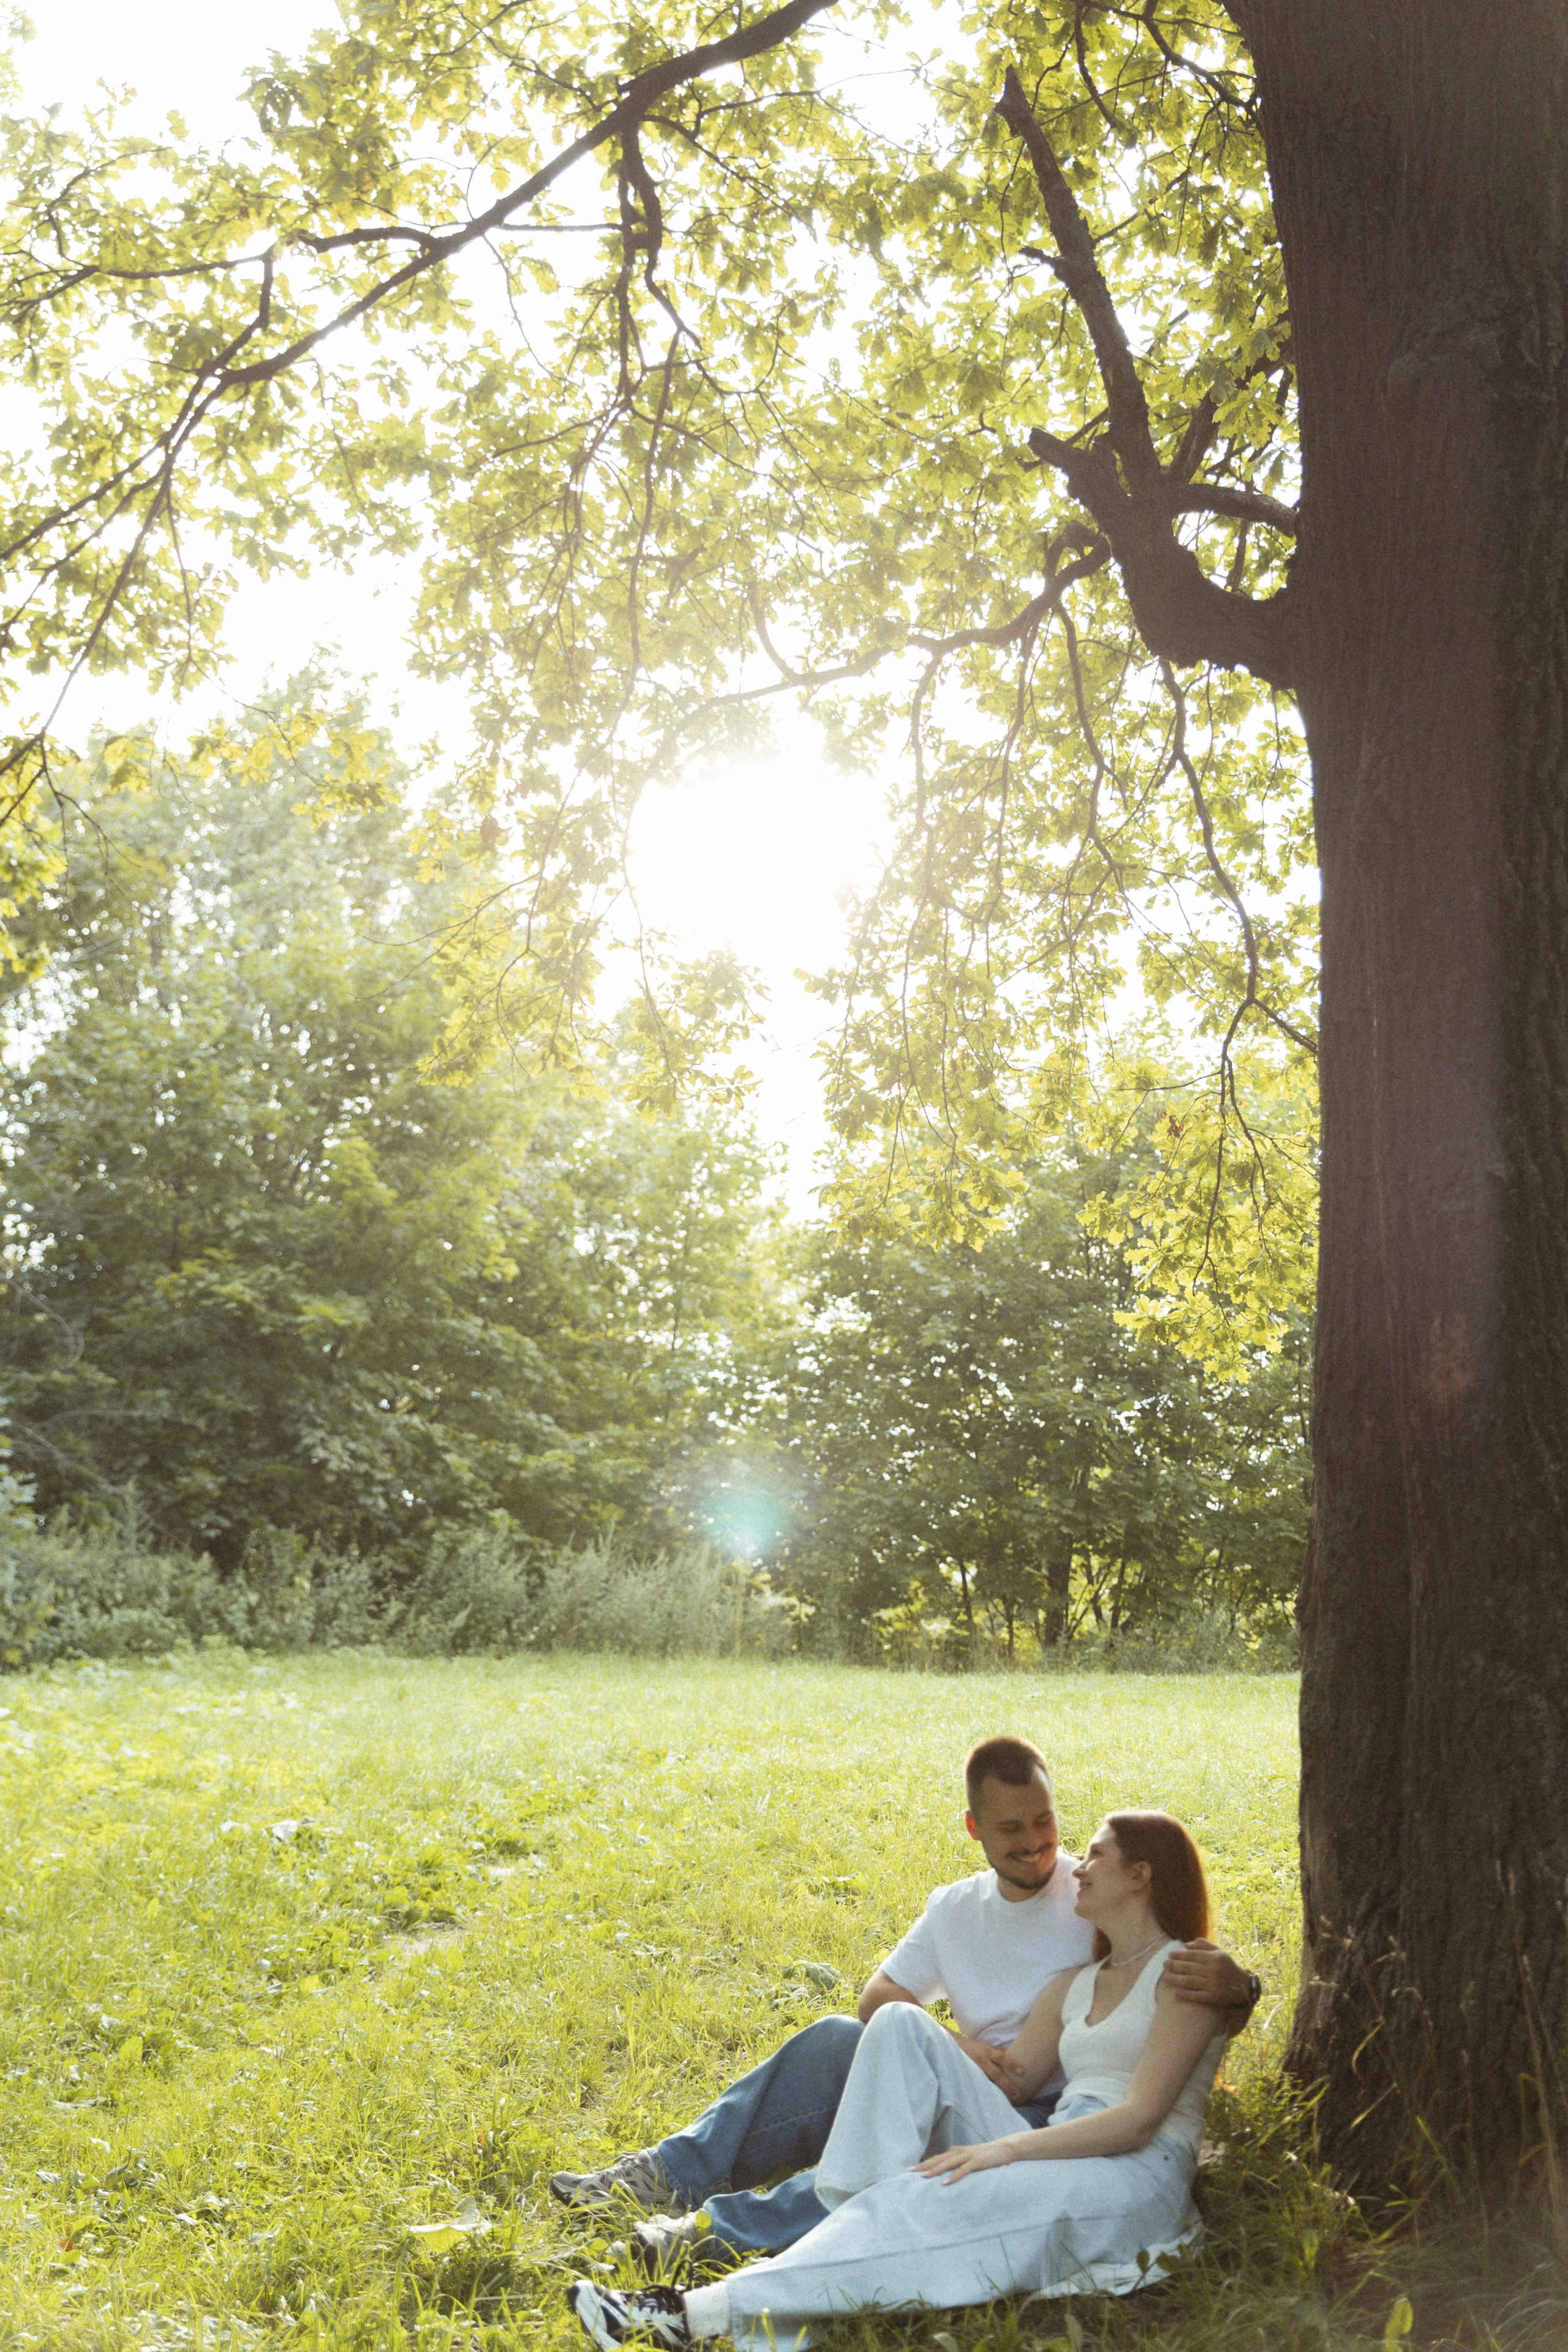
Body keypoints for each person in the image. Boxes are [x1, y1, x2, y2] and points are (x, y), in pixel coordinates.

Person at [550, 1738, 1256, 2269]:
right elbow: (880, 1994)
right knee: (834, 2036)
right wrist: (955, 2047)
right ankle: (666, 2175)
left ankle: (709, 2238)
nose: (1037, 1845)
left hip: (1051, 2110)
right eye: (1011, 1829)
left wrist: (1242, 1986)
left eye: (1044, 1821)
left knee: (880, 2149)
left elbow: (1174, 1961)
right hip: (968, 2076)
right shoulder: (955, 1908)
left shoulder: (1091, 1889)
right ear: (975, 1829)